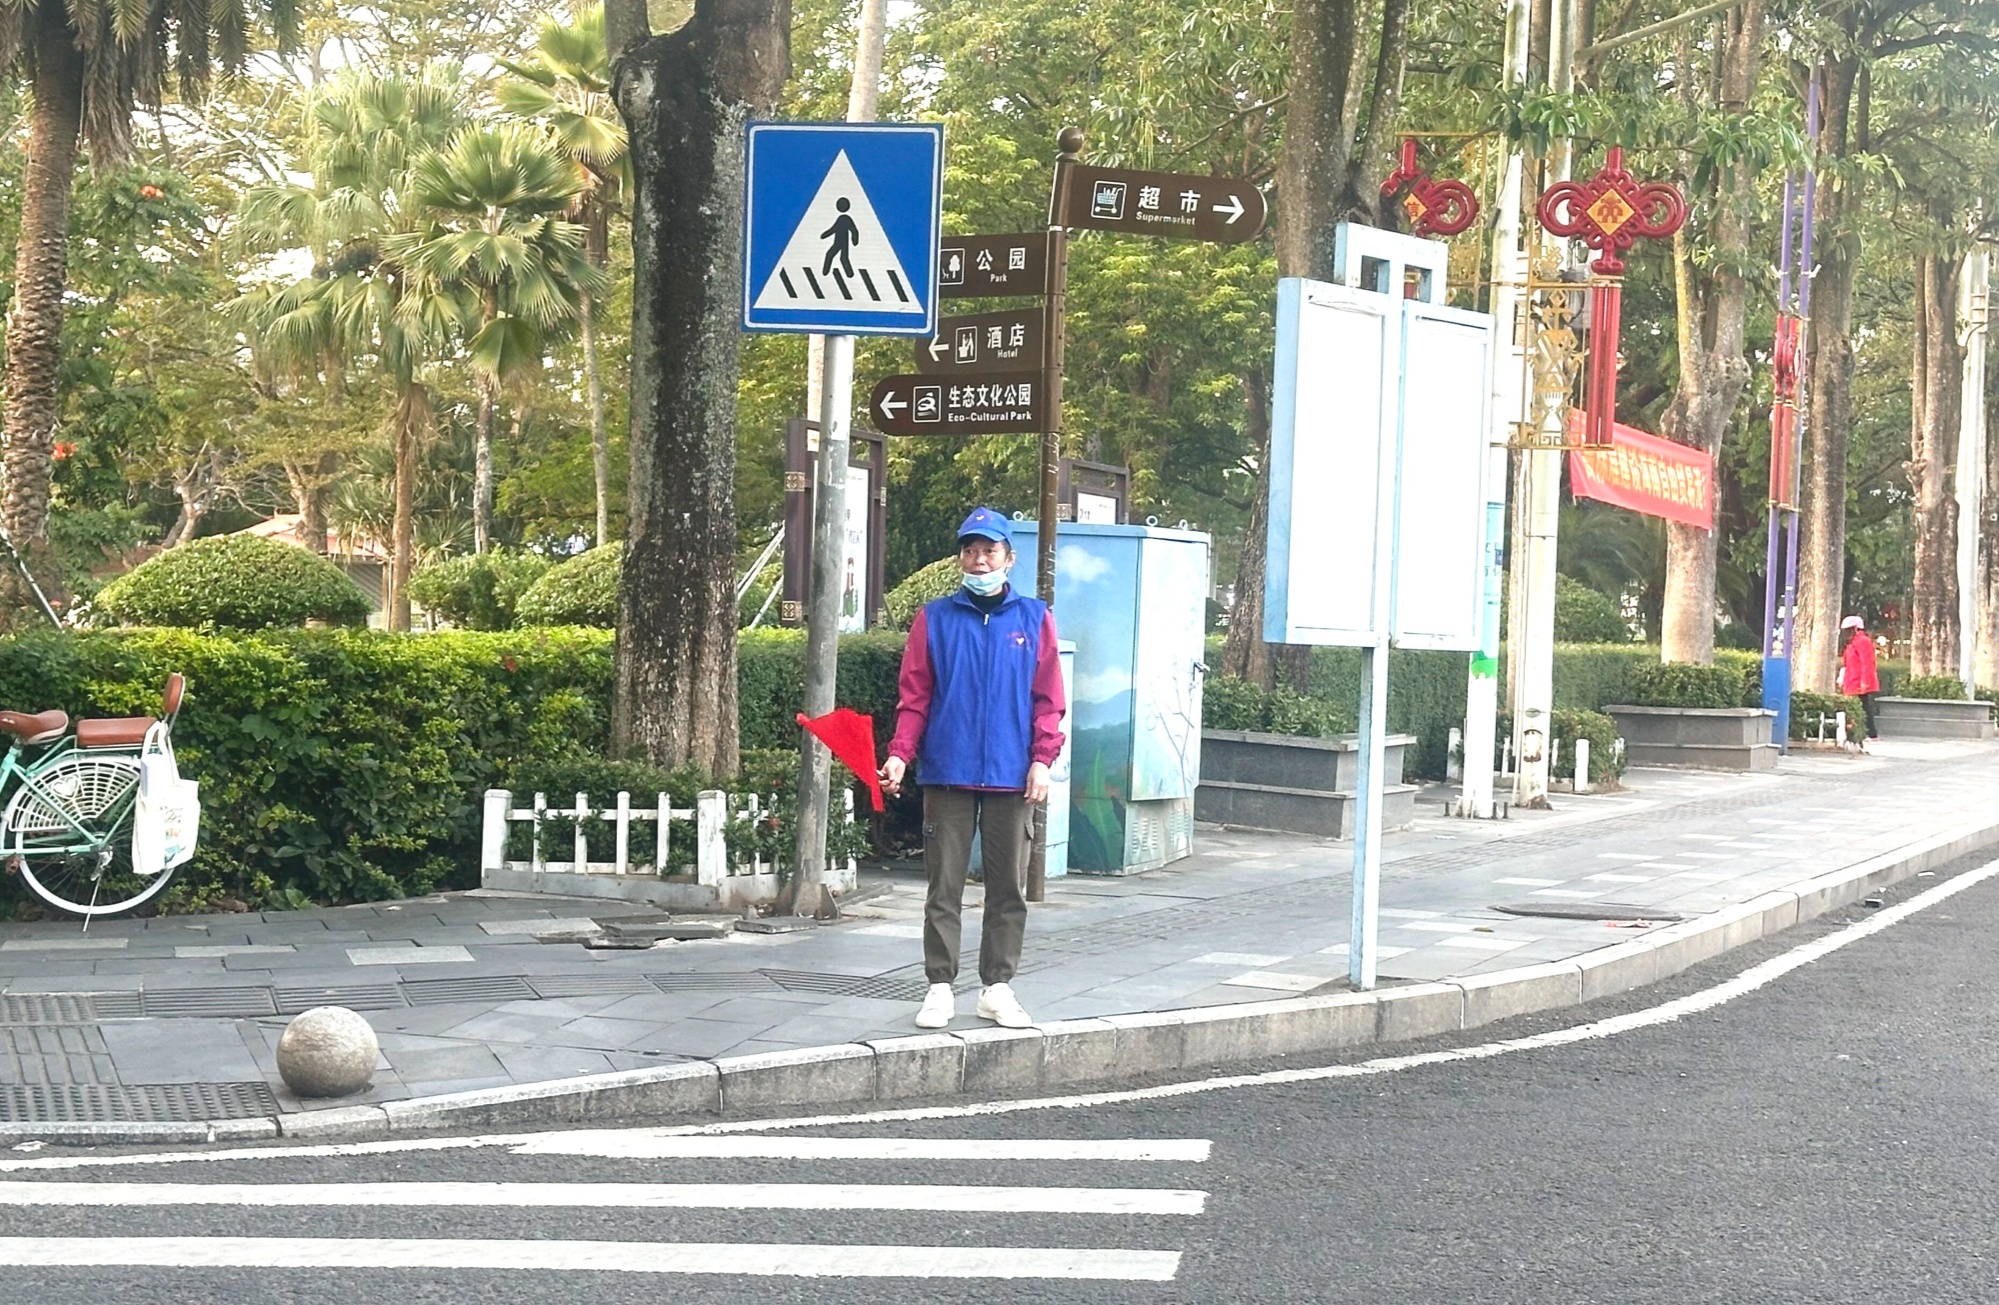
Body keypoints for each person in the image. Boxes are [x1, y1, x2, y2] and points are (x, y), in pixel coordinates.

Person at [880, 508, 1064, 1030]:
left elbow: (1048, 699)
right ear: (960, 557)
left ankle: (997, 987)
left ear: (1009, 557)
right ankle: (939, 987)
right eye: (970, 550)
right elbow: (915, 695)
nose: (979, 560)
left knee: (1008, 887)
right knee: (944, 887)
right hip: (948, 771)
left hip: (1012, 774)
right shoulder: (935, 618)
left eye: (989, 550)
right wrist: (900, 753)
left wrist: (1042, 760)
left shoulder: (1034, 619)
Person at [1838, 614, 1880, 740]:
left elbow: (1867, 662)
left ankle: (1871, 733)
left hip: (1859, 682)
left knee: (1864, 708)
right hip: (1852, 681)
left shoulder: (1862, 641)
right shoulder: (1852, 643)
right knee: (1858, 708)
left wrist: (1865, 682)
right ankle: (1861, 733)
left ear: (1856, 628)